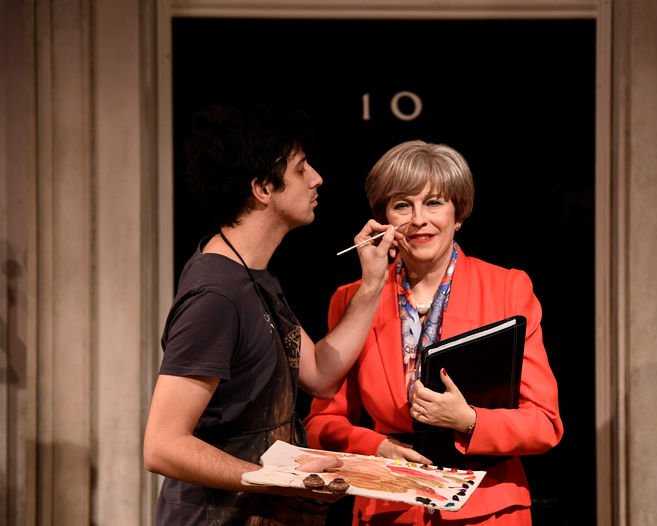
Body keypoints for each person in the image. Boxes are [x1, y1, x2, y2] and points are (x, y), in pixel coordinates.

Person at [143, 104, 400, 526]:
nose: (317, 178)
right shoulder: (217, 295)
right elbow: (163, 446)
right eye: (301, 169)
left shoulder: (251, 275)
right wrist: (274, 479)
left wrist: (371, 283)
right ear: (263, 187)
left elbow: (318, 372)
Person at [304, 140, 563, 525]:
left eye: (435, 202)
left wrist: (470, 420)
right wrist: (377, 446)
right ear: (384, 221)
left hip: (487, 510)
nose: (419, 219)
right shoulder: (351, 300)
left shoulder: (508, 288)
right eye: (402, 205)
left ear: (458, 214)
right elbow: (321, 425)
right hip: (388, 509)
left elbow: (545, 423)